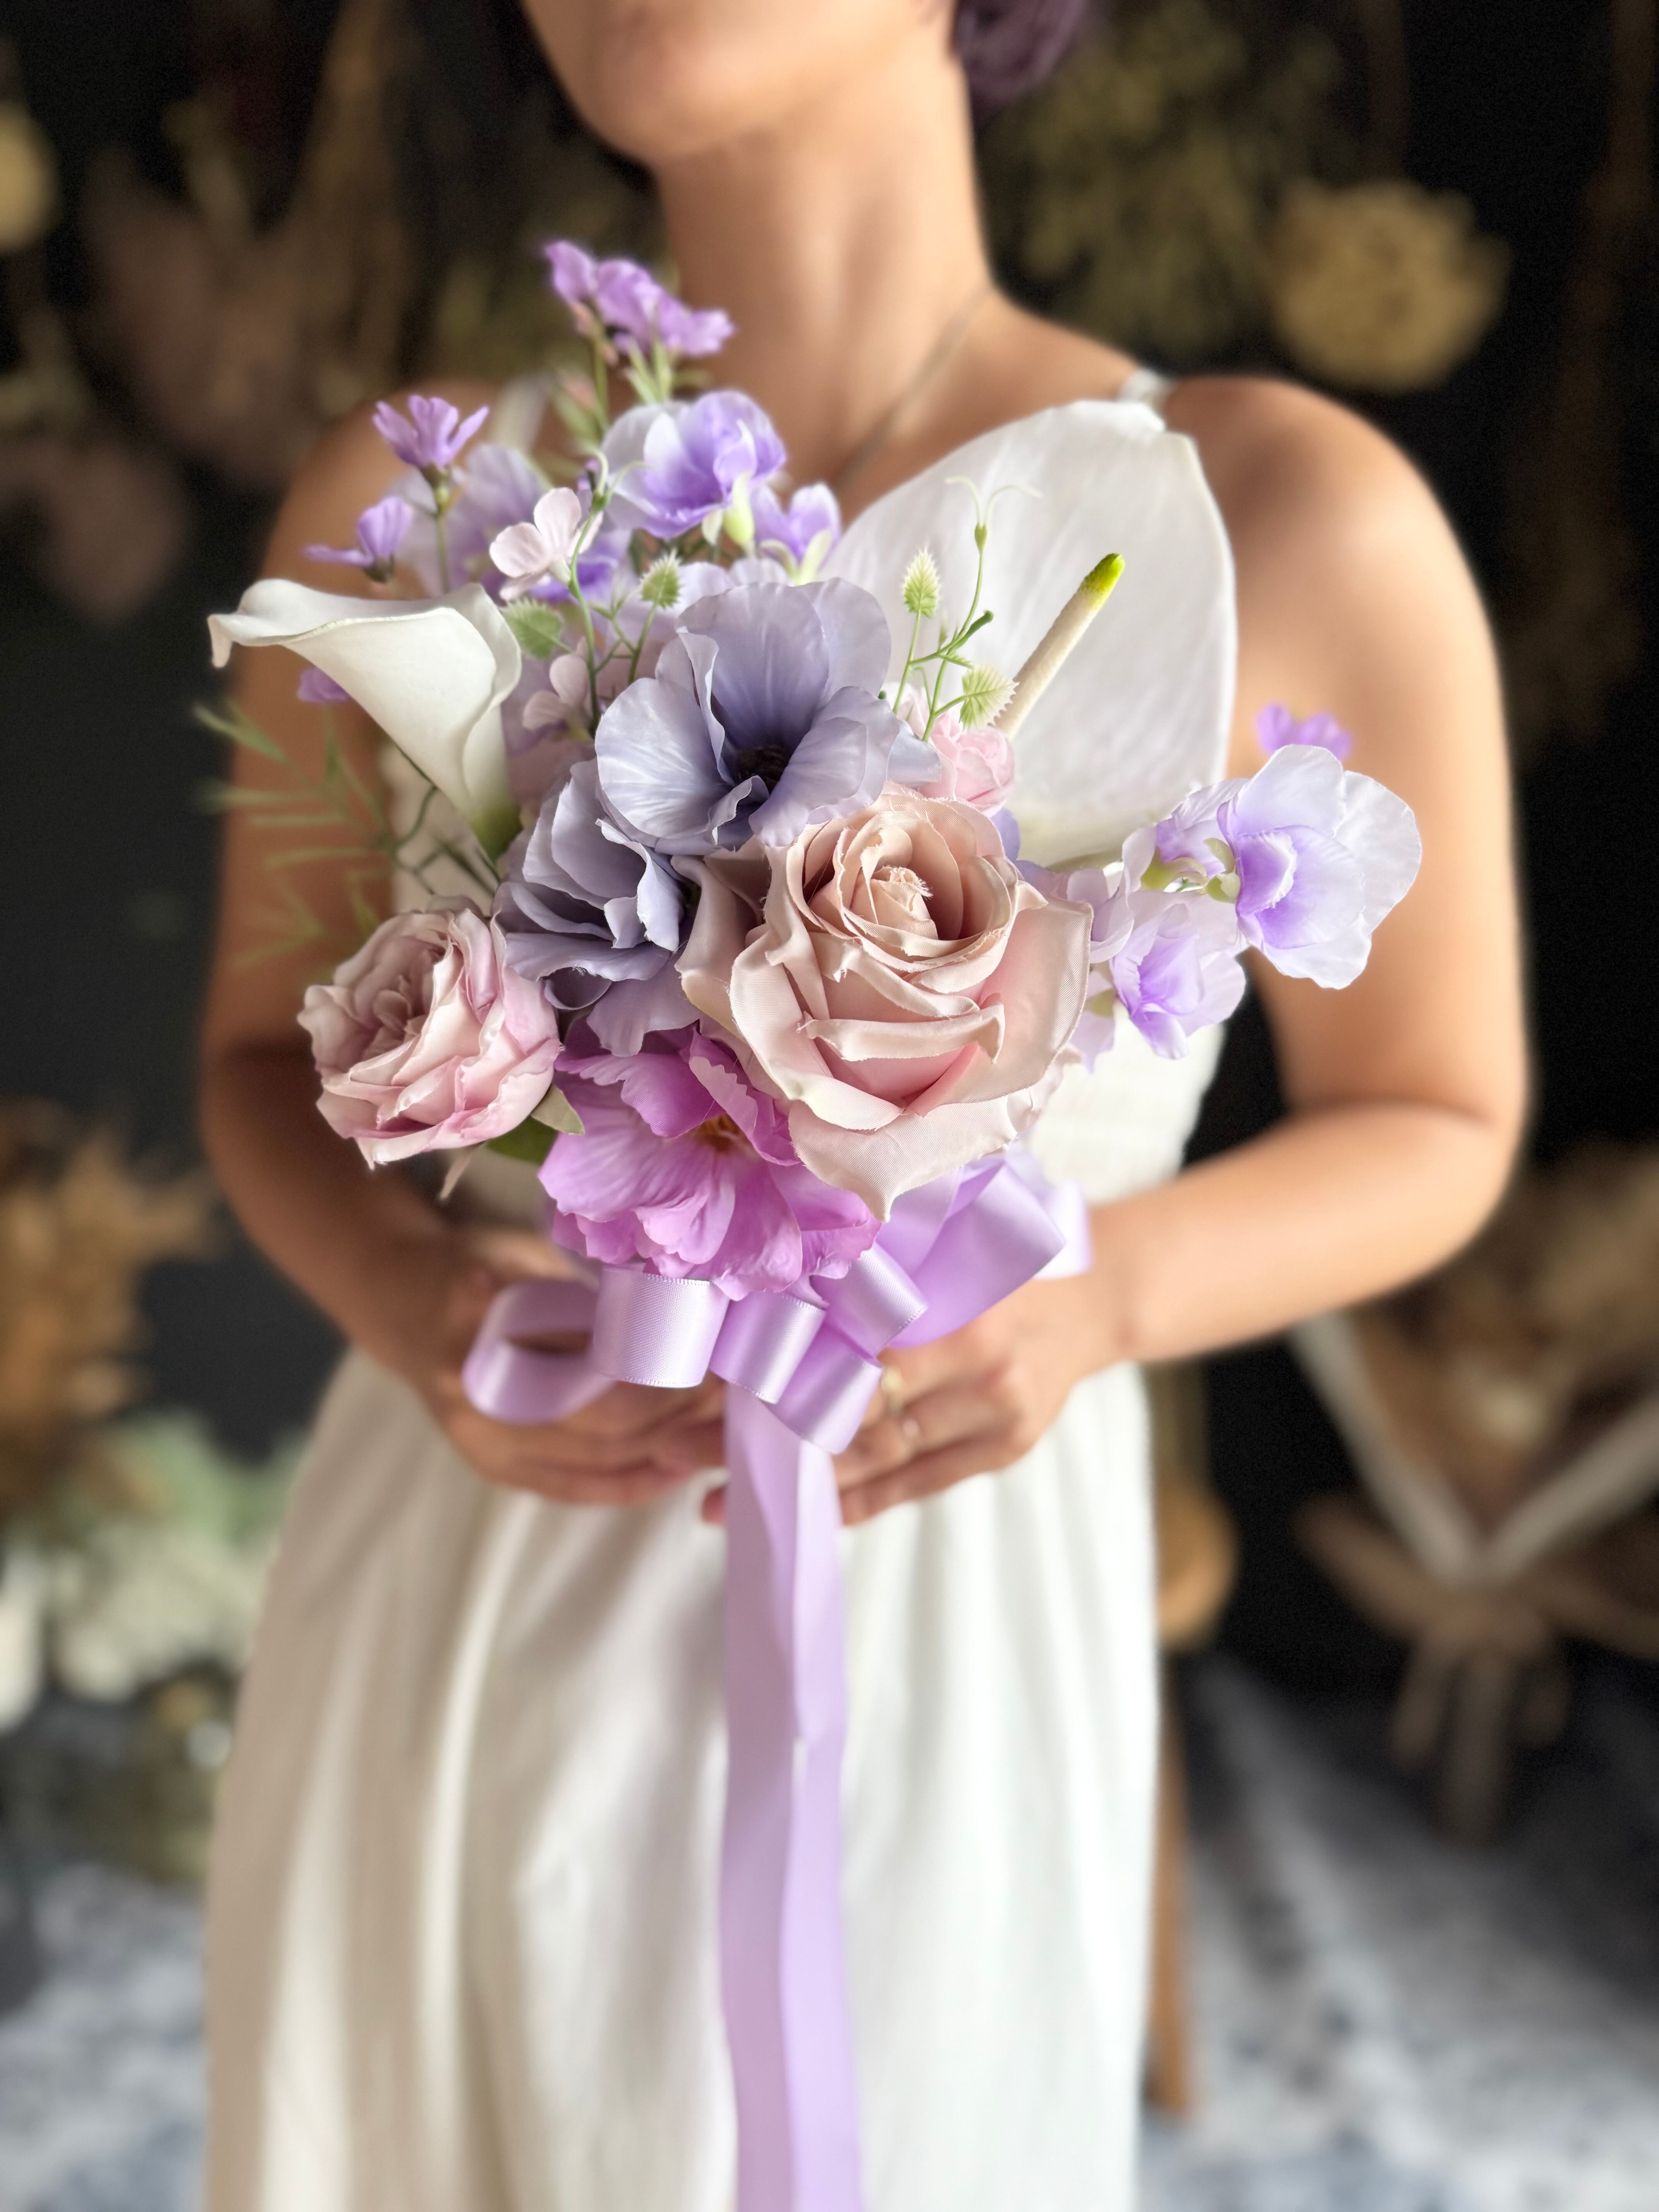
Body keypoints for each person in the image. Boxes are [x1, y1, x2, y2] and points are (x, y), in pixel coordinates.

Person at [197, 2, 1525, 2206]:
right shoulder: (418, 507)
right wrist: (418, 1312)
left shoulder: (1284, 513)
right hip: (477, 1551)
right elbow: (258, 1064)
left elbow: (1445, 1121)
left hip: (942, 1610)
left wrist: (1101, 1303)